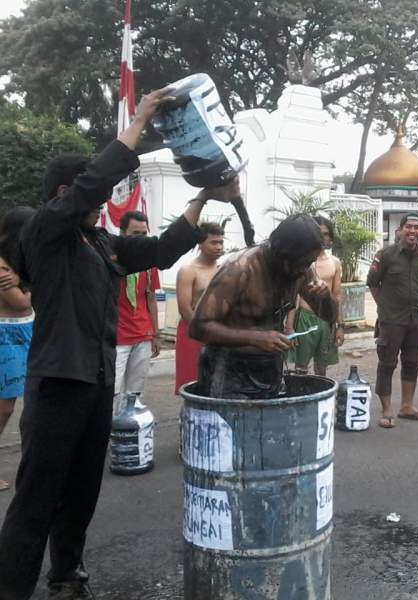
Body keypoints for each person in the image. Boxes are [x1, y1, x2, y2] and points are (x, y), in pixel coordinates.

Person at [0, 87, 230, 600]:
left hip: (96, 381)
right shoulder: (46, 233)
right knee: (38, 496)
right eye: (91, 190)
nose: (104, 196)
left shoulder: (100, 242)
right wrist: (141, 118)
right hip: (58, 382)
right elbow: (92, 183)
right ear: (65, 192)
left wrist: (204, 197)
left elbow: (162, 249)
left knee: (81, 490)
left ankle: (66, 575)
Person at [190, 214, 337, 399]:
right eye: (302, 263)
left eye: (310, 262)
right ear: (283, 254)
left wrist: (325, 298)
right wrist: (254, 337)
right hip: (228, 372)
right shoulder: (240, 269)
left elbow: (330, 316)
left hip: (270, 369)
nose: (306, 268)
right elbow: (197, 328)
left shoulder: (302, 269)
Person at [367, 213, 418, 428]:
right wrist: (384, 307)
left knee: (412, 363)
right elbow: (373, 283)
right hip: (391, 320)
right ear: (400, 230)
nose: (412, 231)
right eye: (408, 227)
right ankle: (387, 411)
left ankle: (407, 407)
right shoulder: (385, 255)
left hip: (416, 319)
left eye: (417, 227)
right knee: (387, 364)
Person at [0, 207, 35, 492]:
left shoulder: (20, 263)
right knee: (4, 407)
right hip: (7, 337)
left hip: (24, 333)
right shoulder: (2, 265)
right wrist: (35, 285)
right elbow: (20, 303)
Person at [114, 211, 161, 413]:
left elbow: (150, 298)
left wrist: (155, 334)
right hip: (115, 338)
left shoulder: (149, 263)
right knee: (112, 392)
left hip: (142, 335)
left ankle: (128, 435)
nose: (140, 239)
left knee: (134, 393)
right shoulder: (110, 260)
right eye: (135, 234)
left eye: (144, 234)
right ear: (122, 233)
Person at [286, 216, 344, 376]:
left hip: (326, 321)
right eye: (318, 233)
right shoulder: (302, 262)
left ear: (330, 237)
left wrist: (340, 326)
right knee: (300, 368)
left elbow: (337, 296)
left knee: (322, 368)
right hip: (304, 319)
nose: (321, 237)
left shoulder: (335, 263)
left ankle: (321, 399)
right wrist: (289, 328)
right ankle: (301, 398)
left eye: (325, 234)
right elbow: (293, 296)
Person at [174, 222, 225, 394]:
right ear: (200, 243)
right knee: (192, 384)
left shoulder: (223, 270)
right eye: (213, 242)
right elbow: (184, 309)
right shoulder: (188, 270)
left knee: (217, 384)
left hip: (218, 333)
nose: (218, 247)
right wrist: (203, 333)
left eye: (221, 242)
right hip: (193, 333)